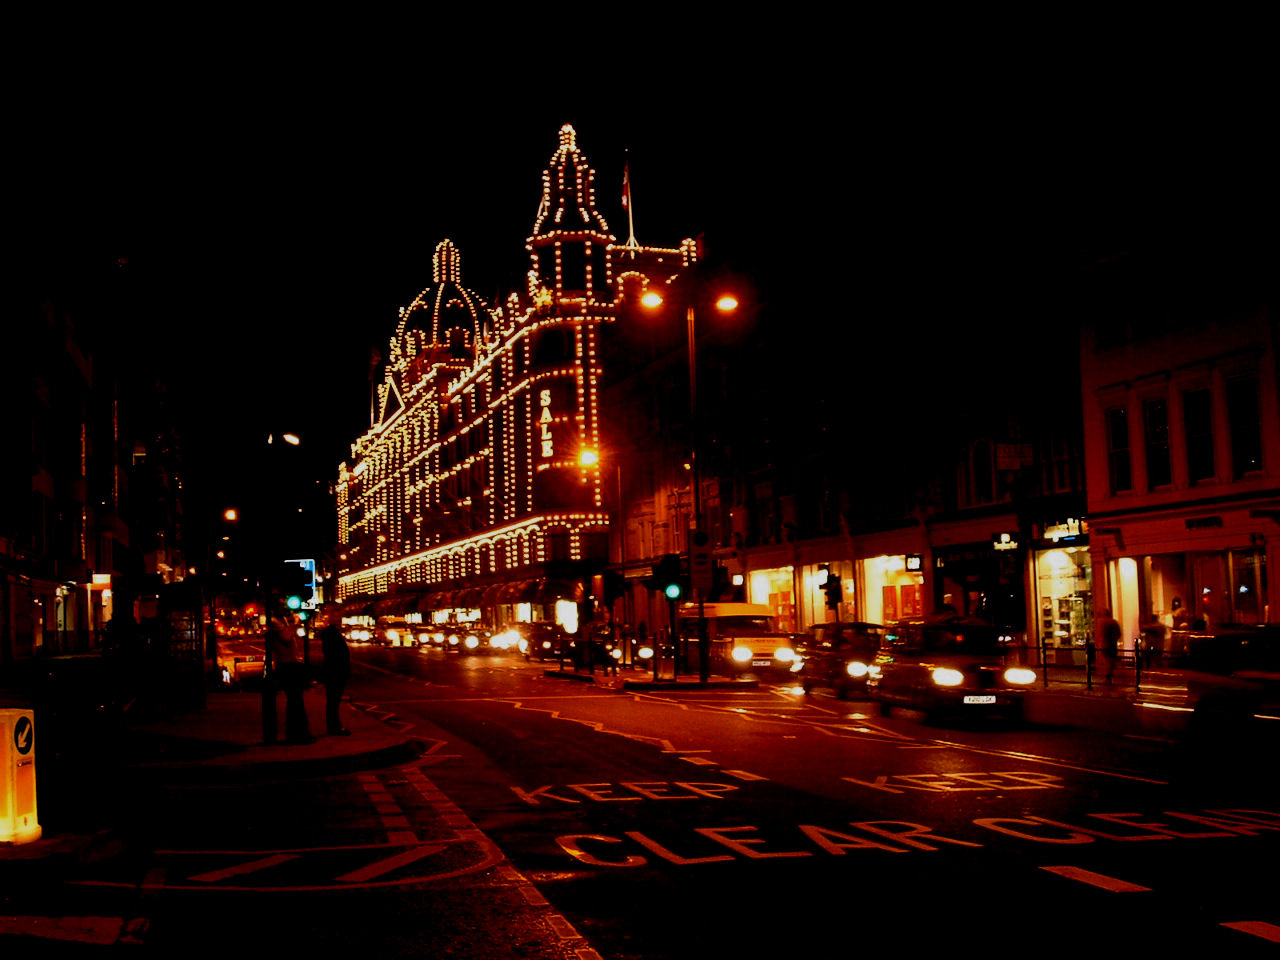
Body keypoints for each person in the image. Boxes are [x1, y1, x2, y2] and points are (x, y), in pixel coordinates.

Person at [266, 608, 313, 744]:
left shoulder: (284, 620)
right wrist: (296, 622)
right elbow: (286, 637)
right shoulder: (274, 621)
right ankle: (296, 734)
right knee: (295, 700)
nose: (285, 606)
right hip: (286, 665)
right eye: (280, 603)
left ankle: (300, 733)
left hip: (292, 663)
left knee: (297, 700)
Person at [319, 623, 352, 735]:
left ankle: (334, 726)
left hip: (333, 674)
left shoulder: (328, 642)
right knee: (334, 702)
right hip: (336, 674)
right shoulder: (335, 643)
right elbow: (341, 658)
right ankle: (335, 727)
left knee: (332, 702)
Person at [1098, 608, 1121, 685]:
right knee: (1111, 660)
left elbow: (1101, 634)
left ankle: (1108, 676)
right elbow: (1118, 633)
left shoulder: (1102, 622)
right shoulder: (1113, 622)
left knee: (1107, 660)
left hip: (1105, 644)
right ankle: (1109, 675)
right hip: (1113, 644)